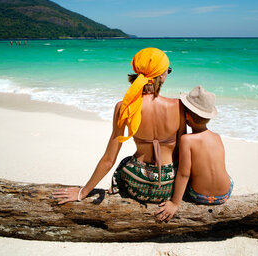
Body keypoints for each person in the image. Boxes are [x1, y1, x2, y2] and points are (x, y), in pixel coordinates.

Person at [52, 47, 186, 204]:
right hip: (168, 188)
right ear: (162, 76)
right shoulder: (179, 106)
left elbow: (109, 159)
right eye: (168, 70)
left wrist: (83, 192)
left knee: (125, 162)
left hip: (137, 185)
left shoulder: (124, 106)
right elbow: (184, 154)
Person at [155, 85, 233, 221]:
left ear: (186, 115)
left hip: (200, 196)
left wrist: (174, 203)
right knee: (226, 176)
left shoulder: (187, 140)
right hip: (224, 195)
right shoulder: (217, 137)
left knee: (186, 175)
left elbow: (184, 174)